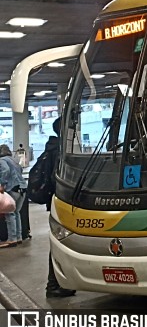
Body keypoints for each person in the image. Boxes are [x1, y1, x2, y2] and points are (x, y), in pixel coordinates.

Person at [42, 118, 76, 298]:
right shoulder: (59, 151)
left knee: (58, 240)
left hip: (55, 199)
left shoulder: (52, 147)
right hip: (61, 199)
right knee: (59, 241)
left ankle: (57, 282)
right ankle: (54, 284)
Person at [0, 144, 27, 249]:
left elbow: (5, 170)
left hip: (13, 188)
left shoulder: (2, 160)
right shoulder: (14, 160)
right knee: (16, 213)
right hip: (23, 189)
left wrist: (2, 184)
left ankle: (12, 239)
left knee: (9, 214)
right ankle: (18, 237)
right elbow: (20, 170)